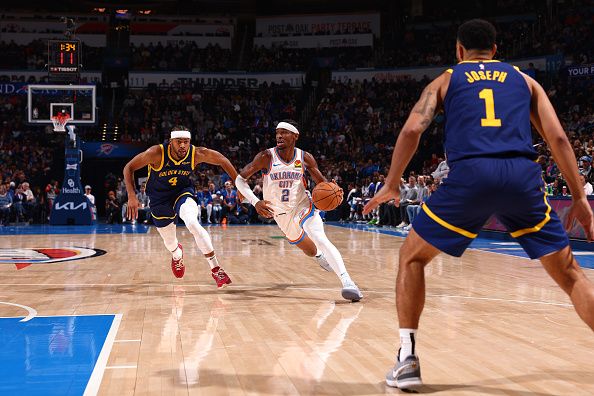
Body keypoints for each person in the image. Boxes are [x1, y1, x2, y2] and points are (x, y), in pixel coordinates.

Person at [363, 19, 594, 390]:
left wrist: (392, 184)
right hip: (522, 175)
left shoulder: (447, 79)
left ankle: (407, 359)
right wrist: (579, 197)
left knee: (412, 257)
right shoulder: (525, 80)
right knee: (572, 277)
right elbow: (559, 139)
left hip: (471, 176)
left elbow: (411, 130)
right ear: (496, 50)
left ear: (458, 50)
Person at [235, 120, 363, 302]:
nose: (279, 136)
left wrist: (333, 190)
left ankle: (348, 282)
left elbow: (321, 182)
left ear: (295, 136)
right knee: (311, 250)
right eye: (277, 132)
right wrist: (255, 202)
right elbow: (240, 180)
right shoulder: (266, 156)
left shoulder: (305, 157)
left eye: (284, 132)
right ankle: (319, 255)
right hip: (279, 213)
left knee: (319, 236)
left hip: (303, 205)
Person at [123, 125, 240, 286]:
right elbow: (129, 167)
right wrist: (131, 195)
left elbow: (222, 160)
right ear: (171, 142)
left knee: (192, 222)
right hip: (159, 199)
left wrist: (239, 184)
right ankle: (177, 255)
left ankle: (216, 269)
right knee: (170, 243)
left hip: (182, 192)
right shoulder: (156, 153)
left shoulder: (196, 153)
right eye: (179, 142)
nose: (183, 145)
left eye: (186, 141)